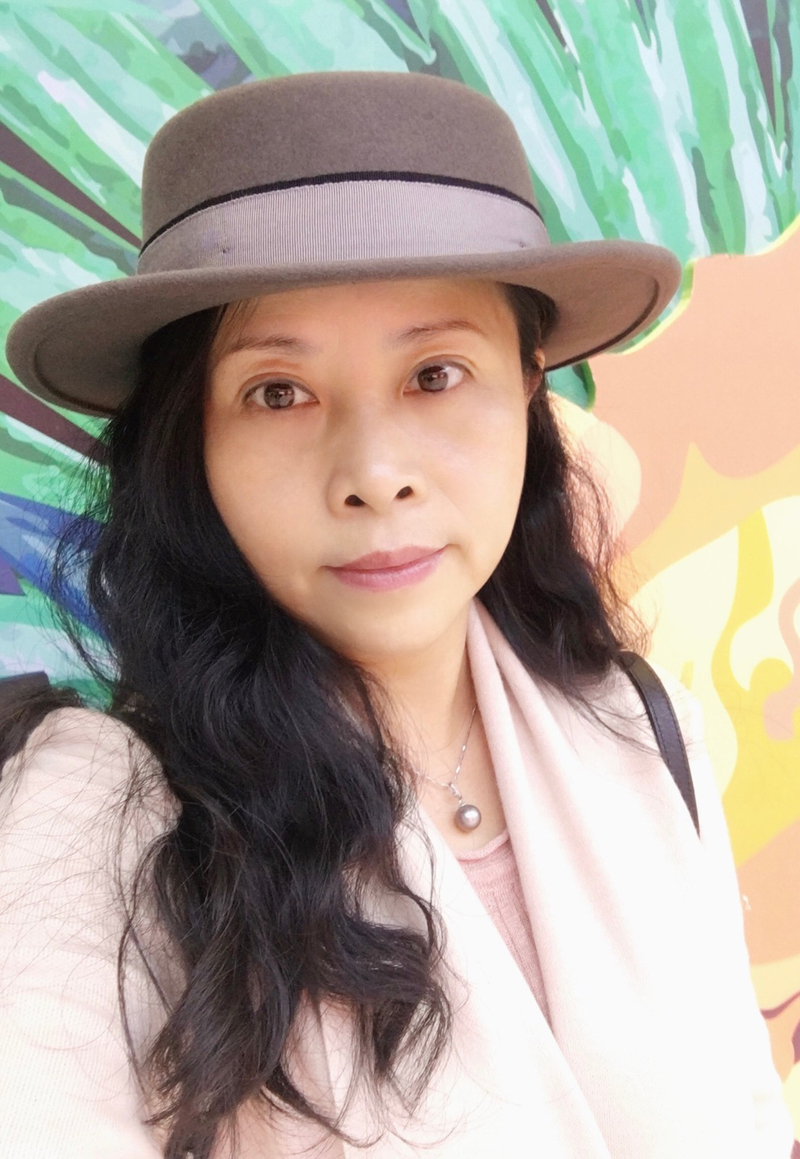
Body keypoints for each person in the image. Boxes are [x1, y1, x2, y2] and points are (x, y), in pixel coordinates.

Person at [1, 71, 793, 1159]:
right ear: (194, 438)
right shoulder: (105, 821)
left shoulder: (634, 725)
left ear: (527, 385)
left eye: (435, 373)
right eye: (277, 392)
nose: (374, 474)